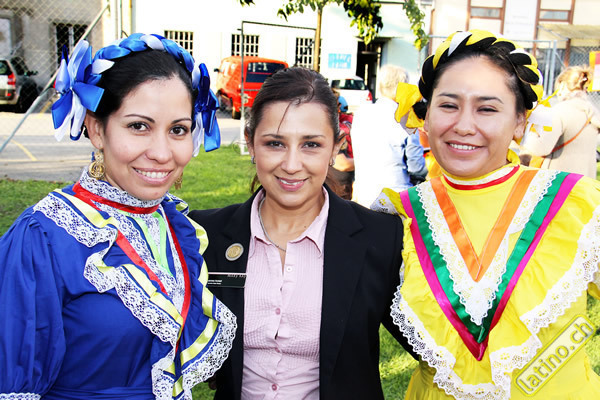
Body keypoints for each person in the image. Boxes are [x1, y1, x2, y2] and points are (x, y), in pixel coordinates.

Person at [0, 33, 236, 399]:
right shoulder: (43, 237)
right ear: (96, 128)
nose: (162, 153)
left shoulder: (176, 227)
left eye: (178, 130)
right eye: (139, 126)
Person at [372, 30, 600, 399]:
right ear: (425, 116)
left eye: (487, 109)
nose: (464, 125)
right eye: (448, 105)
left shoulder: (577, 204)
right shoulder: (394, 217)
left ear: (521, 122)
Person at [189, 67, 414, 399]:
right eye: (275, 143)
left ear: (336, 146)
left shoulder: (381, 238)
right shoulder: (205, 235)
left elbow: (439, 347)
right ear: (251, 143)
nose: (292, 165)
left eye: (311, 144)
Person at [351, 64, 427, 207]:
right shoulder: (406, 118)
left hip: (364, 195)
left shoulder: (361, 113)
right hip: (396, 196)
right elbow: (416, 167)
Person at [521, 65, 600, 177]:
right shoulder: (593, 112)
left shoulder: (562, 111)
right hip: (585, 180)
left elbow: (541, 148)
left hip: (561, 180)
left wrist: (528, 134)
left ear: (562, 85)